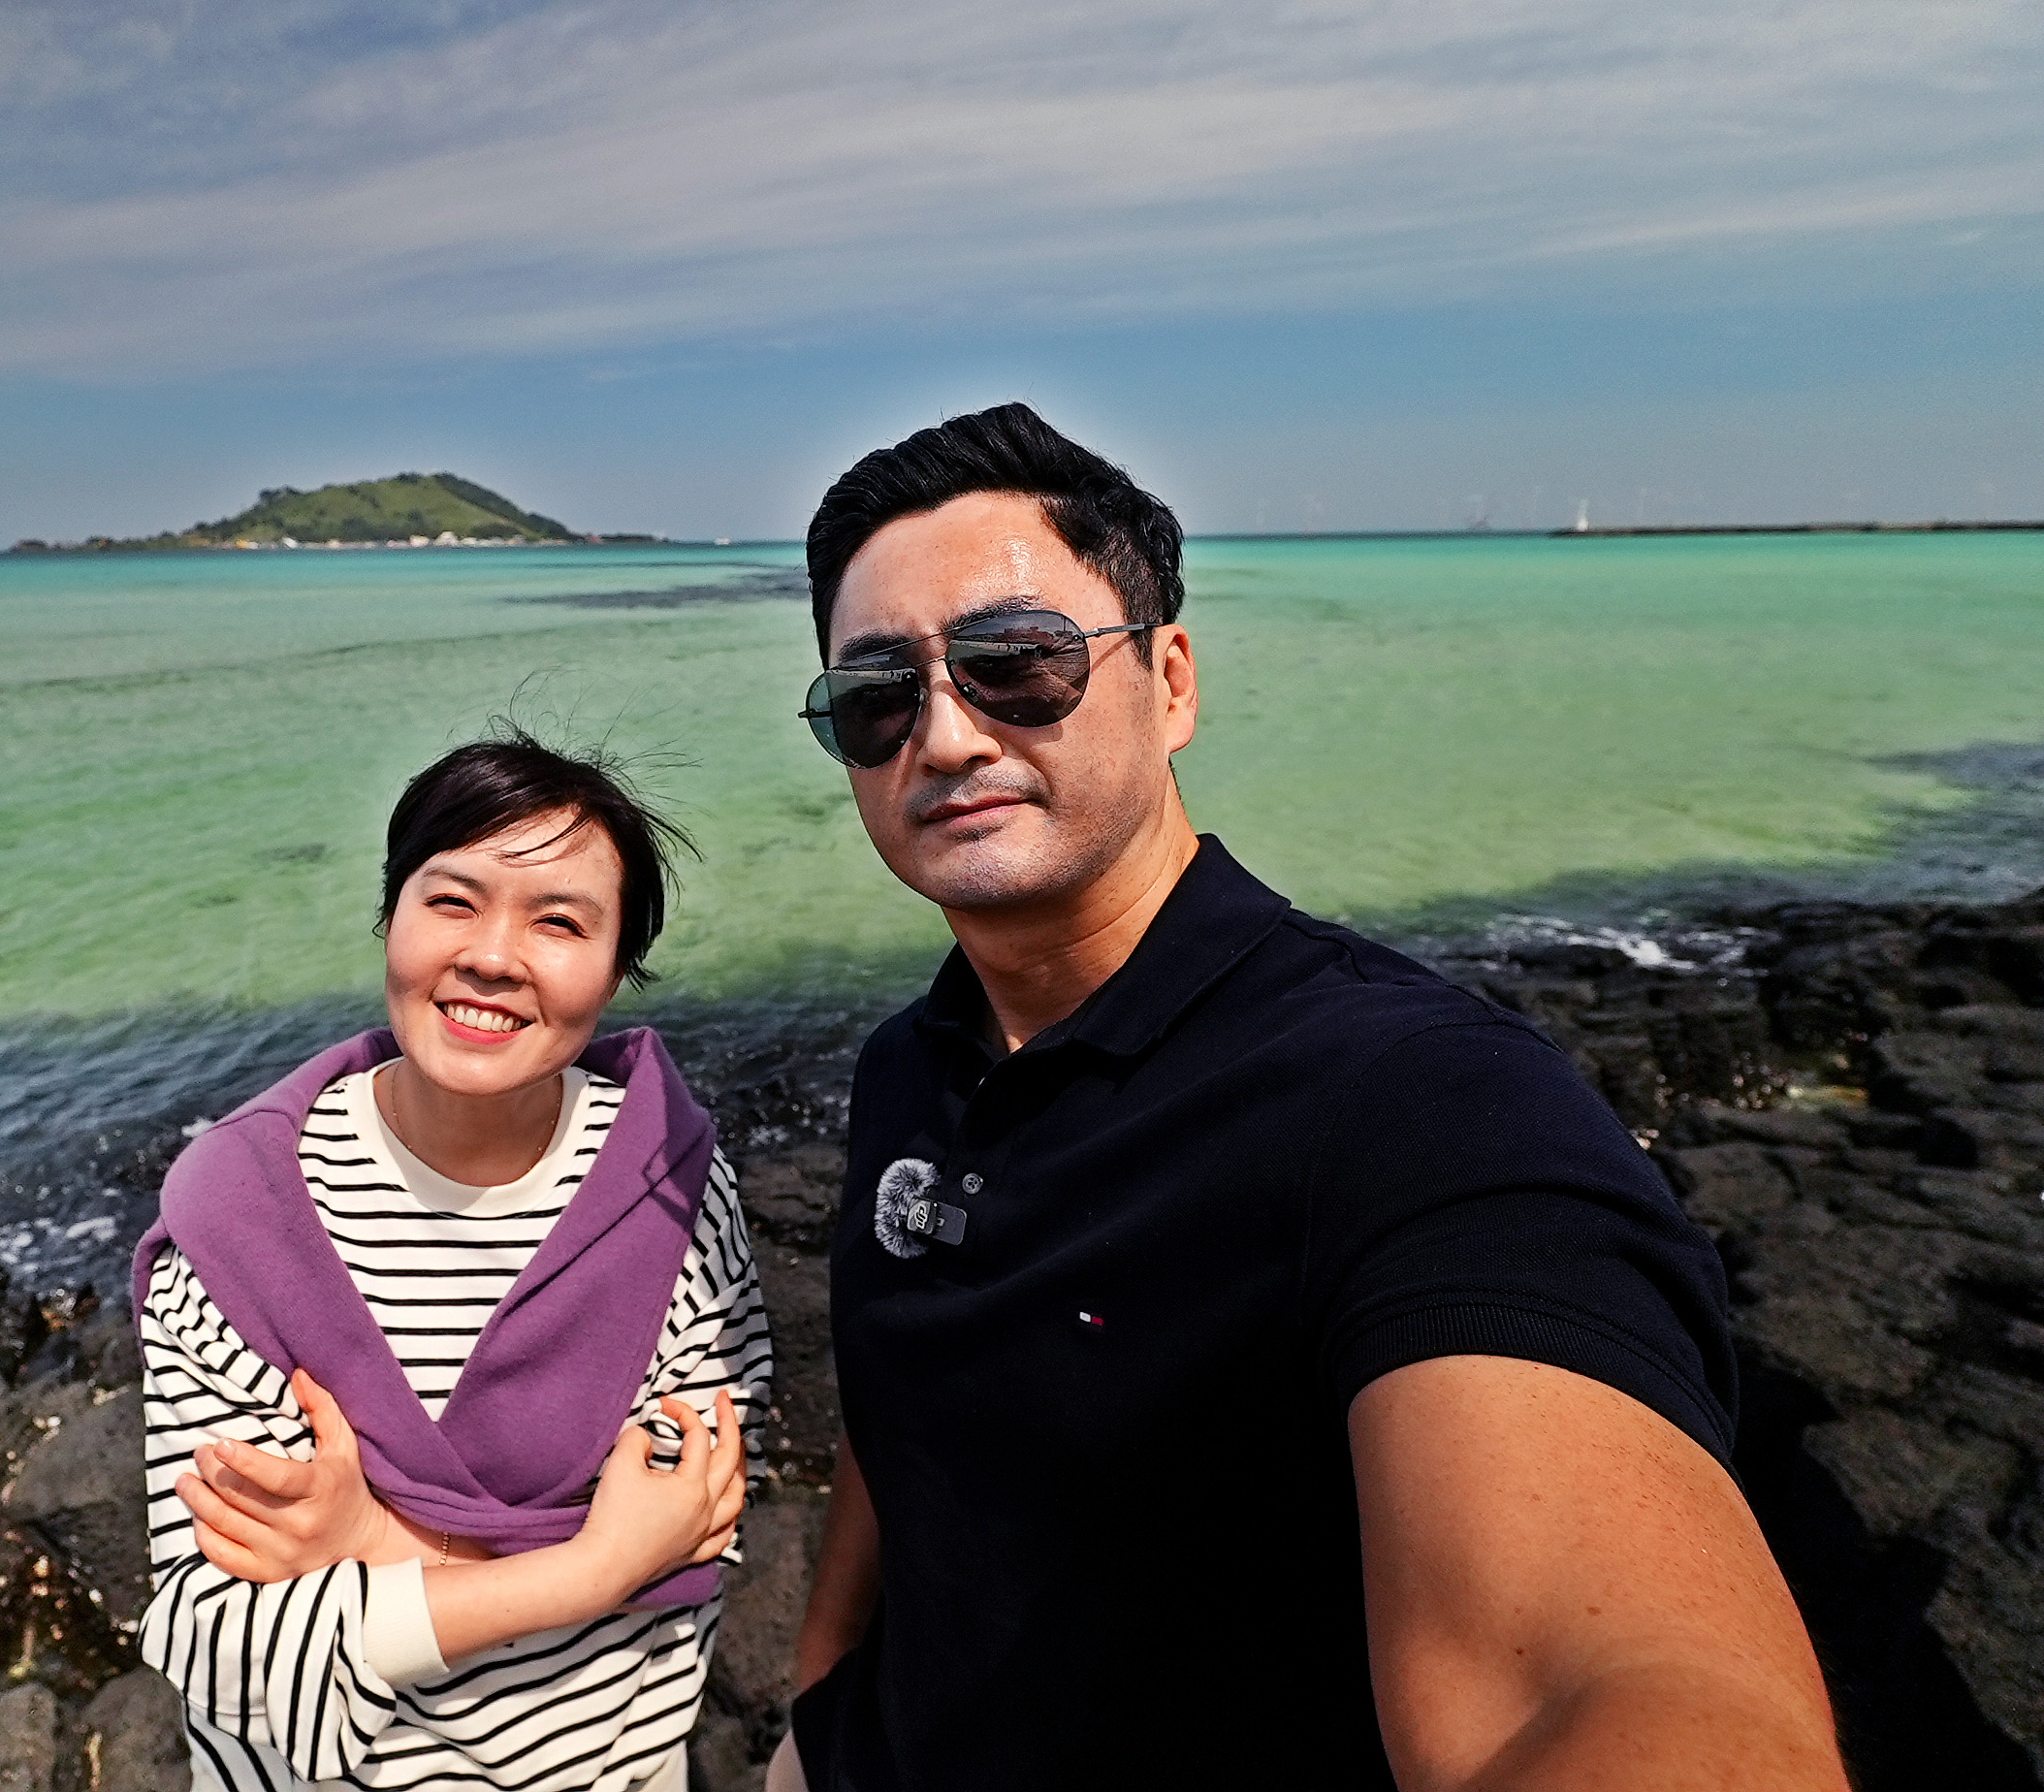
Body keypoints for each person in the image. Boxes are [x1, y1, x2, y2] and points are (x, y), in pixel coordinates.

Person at [775, 404, 1846, 1790]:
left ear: (1170, 682)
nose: (942, 736)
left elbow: (1615, 1688)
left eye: (1017, 663)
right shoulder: (908, 1065)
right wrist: (817, 1695)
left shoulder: (1419, 1101)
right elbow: (909, 1400)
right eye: (875, 698)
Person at [132, 732, 772, 1791]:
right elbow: (224, 1640)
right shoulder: (242, 1215)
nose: (492, 957)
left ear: (619, 968)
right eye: (452, 901)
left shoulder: (670, 1191)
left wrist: (374, 1537)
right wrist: (592, 1566)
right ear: (391, 914)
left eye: (559, 922)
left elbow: (692, 1536)